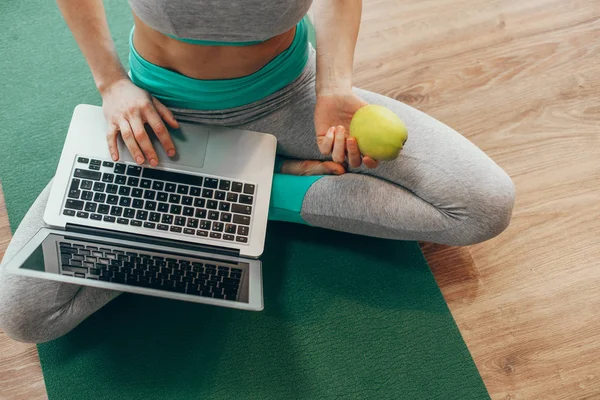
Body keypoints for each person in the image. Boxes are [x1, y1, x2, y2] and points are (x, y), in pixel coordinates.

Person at [0, 0, 514, 343]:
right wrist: (110, 82)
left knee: (482, 206)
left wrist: (335, 86)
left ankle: (254, 194)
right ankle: (242, 189)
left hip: (293, 94)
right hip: (161, 116)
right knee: (26, 313)